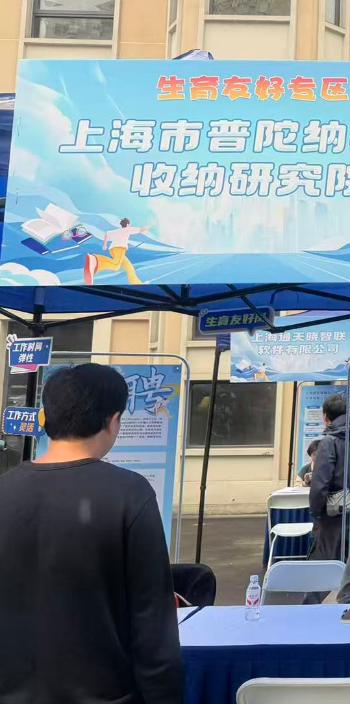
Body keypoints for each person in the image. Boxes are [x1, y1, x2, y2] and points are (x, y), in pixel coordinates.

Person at [0, 363, 182, 703]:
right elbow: (152, 622)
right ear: (114, 421)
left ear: (46, 418)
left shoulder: (4, 490)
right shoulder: (130, 493)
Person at [304, 393, 349, 603]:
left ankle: (308, 613)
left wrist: (316, 513)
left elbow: (320, 484)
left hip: (333, 518)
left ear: (325, 417)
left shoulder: (329, 442)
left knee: (322, 569)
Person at [84, 217, 146, 284]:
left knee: (129, 267)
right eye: (130, 224)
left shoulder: (117, 231)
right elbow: (141, 230)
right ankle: (96, 260)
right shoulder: (128, 229)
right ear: (127, 224)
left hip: (113, 250)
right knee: (115, 265)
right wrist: (151, 225)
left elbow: (107, 234)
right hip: (119, 249)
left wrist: (105, 245)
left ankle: (136, 283)